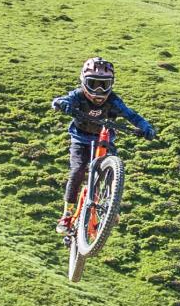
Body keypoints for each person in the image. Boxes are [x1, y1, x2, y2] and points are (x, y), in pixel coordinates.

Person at [51, 56, 156, 235]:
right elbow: (61, 100)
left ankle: (111, 208)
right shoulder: (77, 96)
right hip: (80, 139)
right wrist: (62, 104)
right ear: (84, 82)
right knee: (78, 170)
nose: (99, 90)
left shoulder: (113, 101)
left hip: (104, 139)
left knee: (111, 172)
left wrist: (145, 127)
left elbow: (131, 115)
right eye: (93, 83)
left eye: (104, 85)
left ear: (111, 85)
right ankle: (67, 214)